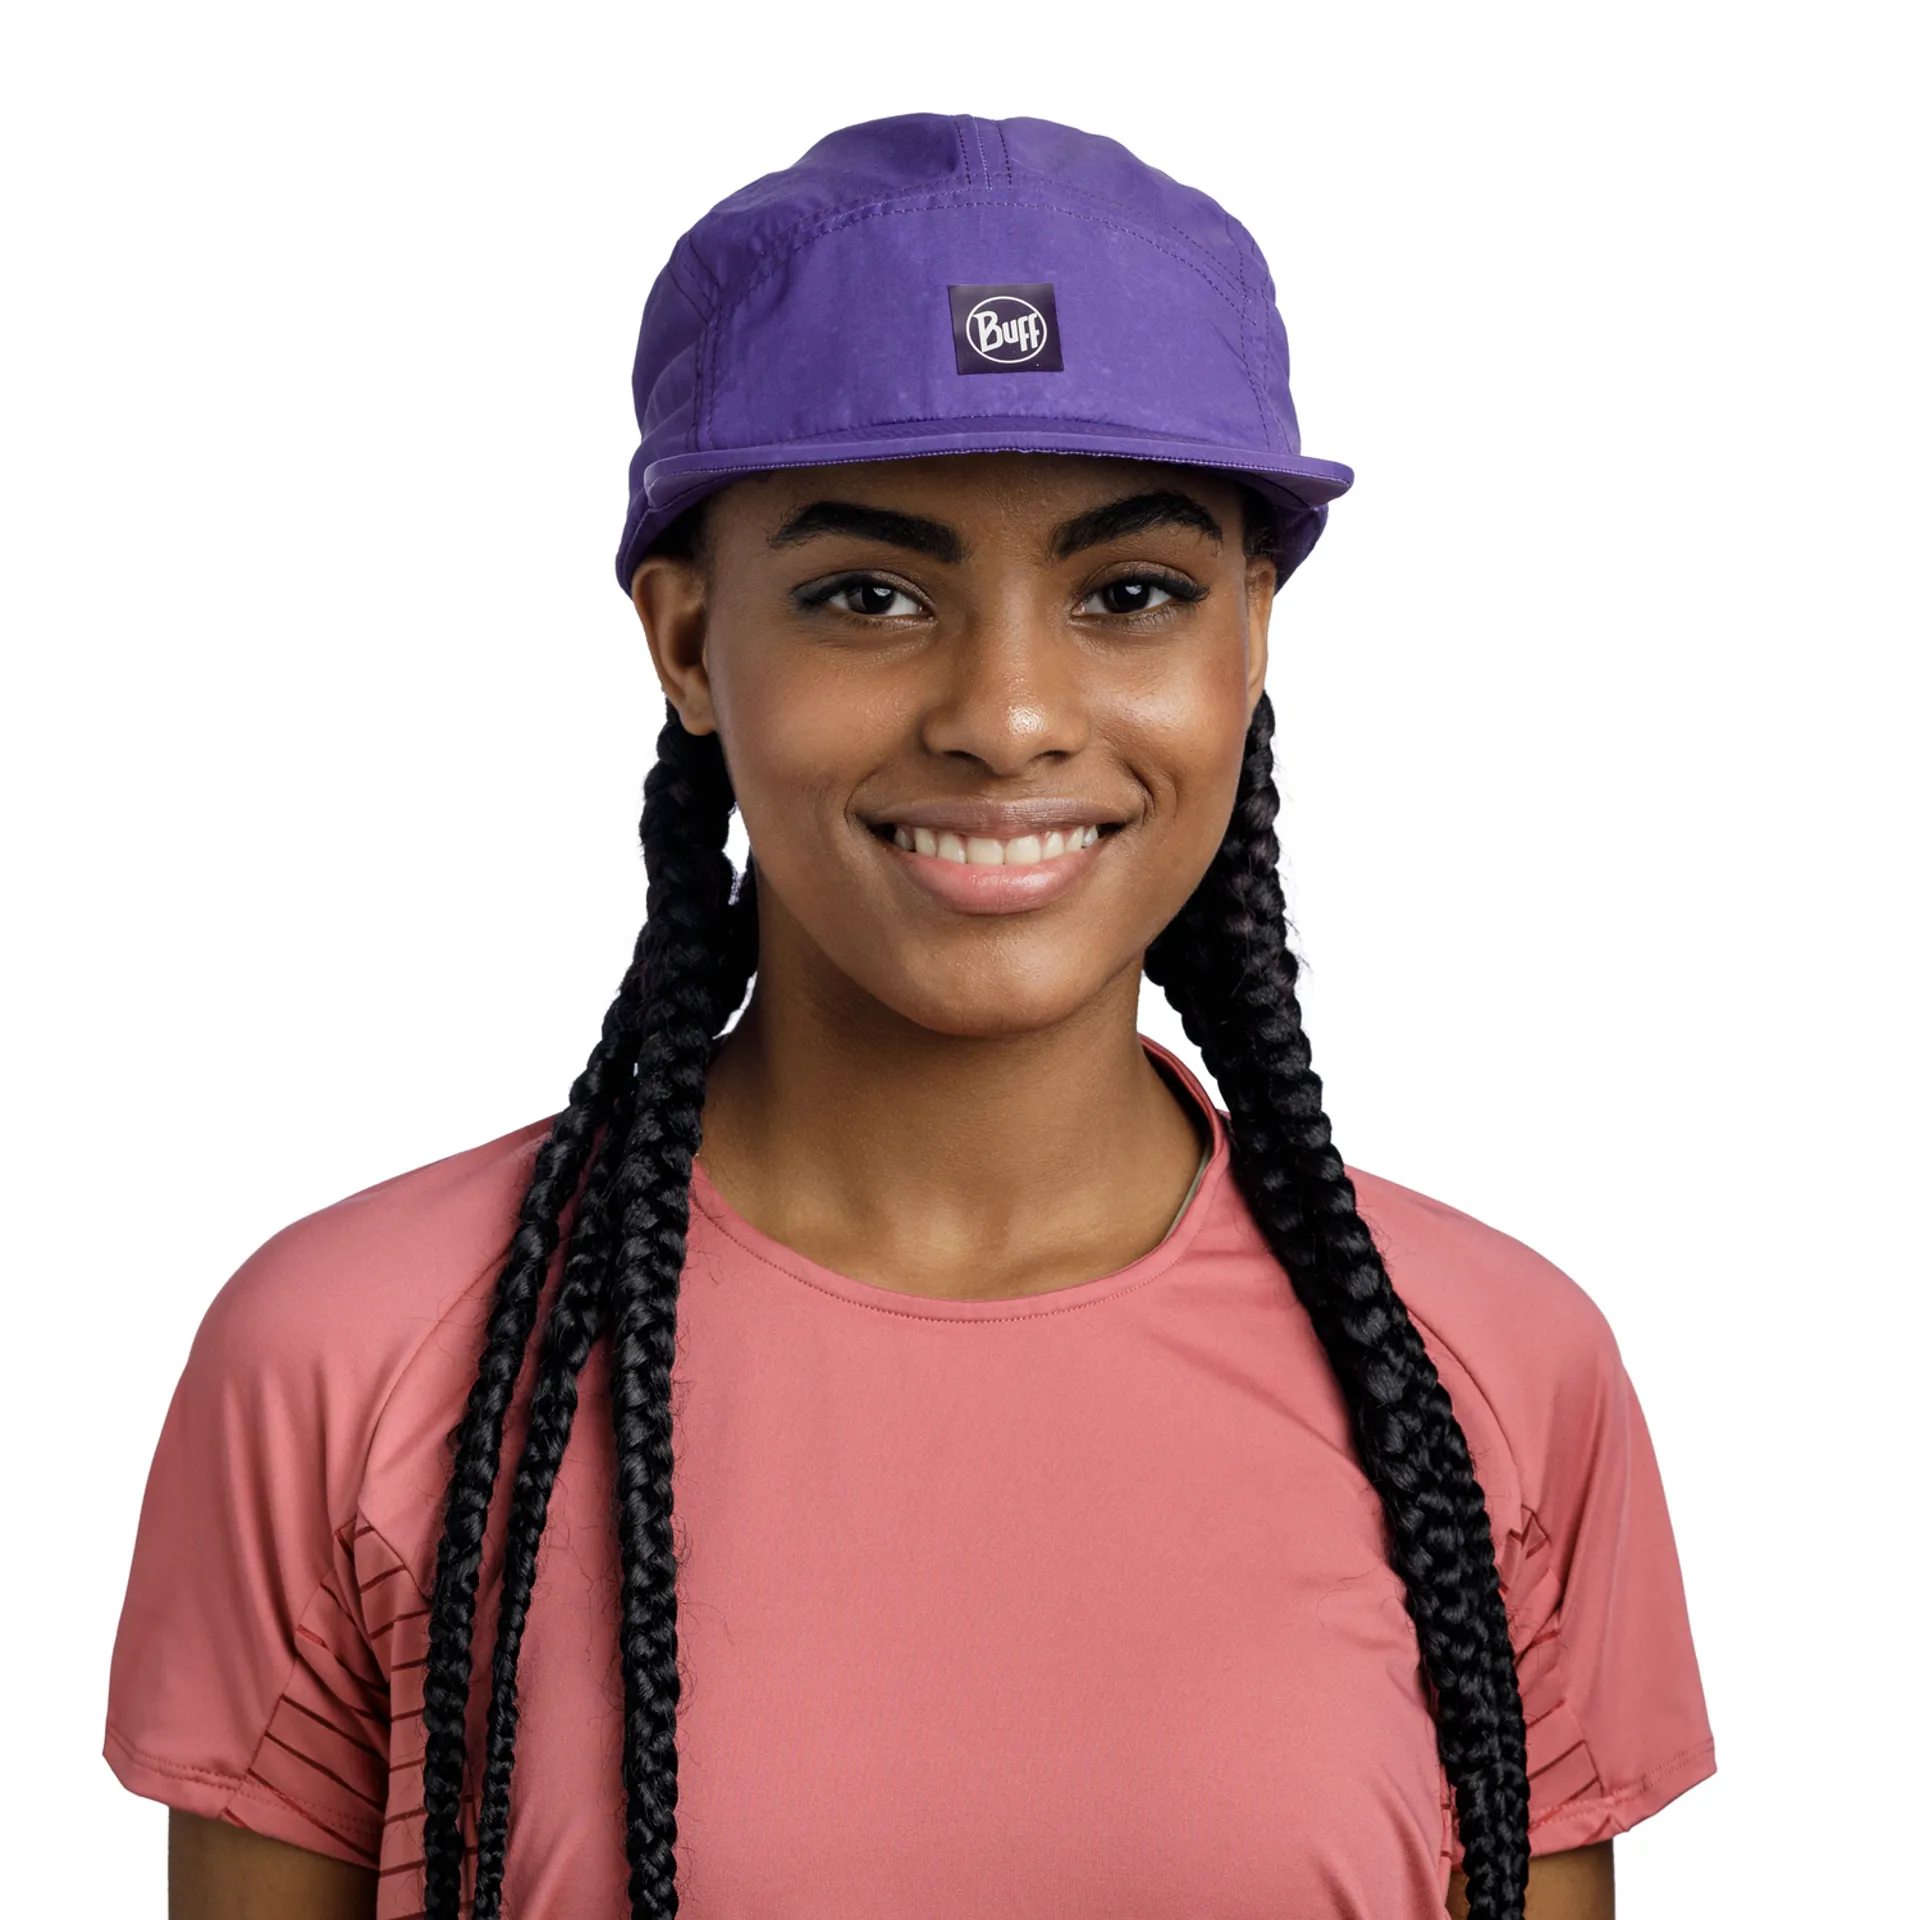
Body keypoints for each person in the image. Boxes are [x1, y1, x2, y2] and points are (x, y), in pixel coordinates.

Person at [105, 114, 1714, 1920]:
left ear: (1250, 637)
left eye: (1130, 594)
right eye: (868, 596)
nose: (1007, 715)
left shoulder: (1488, 1370)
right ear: (686, 640)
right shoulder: (350, 1361)